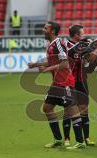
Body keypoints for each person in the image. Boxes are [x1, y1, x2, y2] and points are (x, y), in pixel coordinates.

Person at [28, 21, 85, 149]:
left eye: (45, 28)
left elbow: (65, 63)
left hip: (65, 82)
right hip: (56, 84)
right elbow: (50, 62)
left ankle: (80, 141)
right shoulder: (50, 45)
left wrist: (47, 70)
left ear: (52, 31)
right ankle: (58, 139)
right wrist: (36, 65)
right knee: (47, 108)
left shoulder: (59, 43)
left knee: (72, 110)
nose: (43, 30)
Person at [62, 24, 95, 146]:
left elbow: (89, 61)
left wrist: (92, 49)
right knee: (68, 110)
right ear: (76, 35)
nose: (84, 35)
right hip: (69, 82)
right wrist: (80, 45)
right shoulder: (65, 45)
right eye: (82, 33)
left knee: (84, 109)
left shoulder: (84, 45)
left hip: (82, 81)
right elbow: (66, 57)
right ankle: (67, 138)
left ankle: (86, 138)